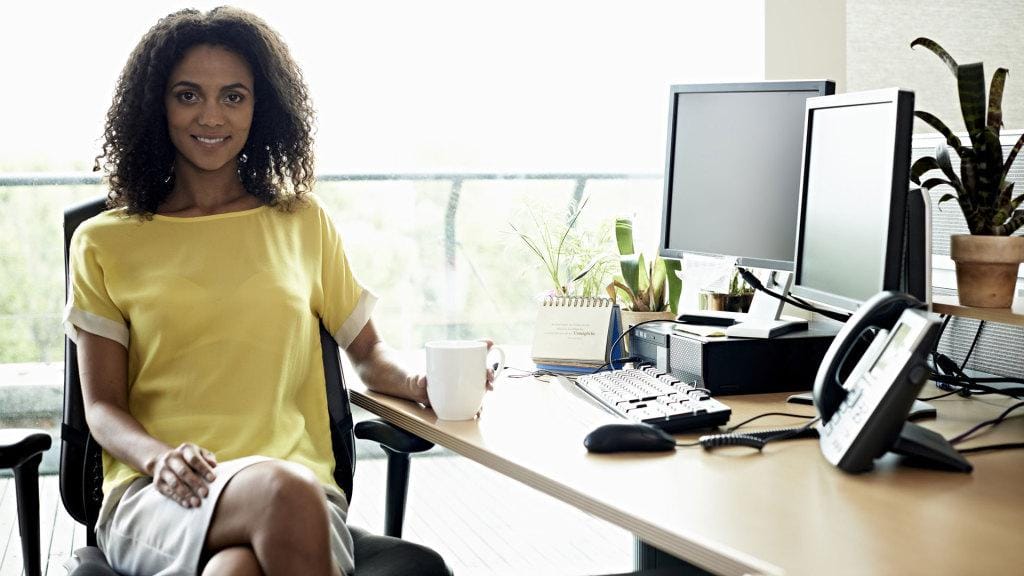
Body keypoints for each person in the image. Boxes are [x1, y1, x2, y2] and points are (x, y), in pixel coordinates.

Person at [64, 7, 489, 576]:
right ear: (156, 105)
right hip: (161, 493)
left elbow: (368, 353)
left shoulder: (302, 223)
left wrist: (421, 383)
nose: (211, 115)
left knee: (237, 567)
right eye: (188, 95)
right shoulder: (103, 242)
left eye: (233, 96)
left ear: (260, 108)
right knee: (281, 496)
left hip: (303, 493)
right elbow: (103, 407)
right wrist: (160, 459)